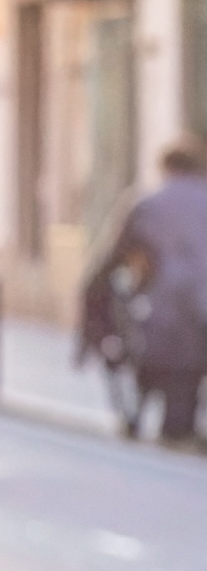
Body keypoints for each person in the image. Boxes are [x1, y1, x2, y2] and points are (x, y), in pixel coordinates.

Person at [103, 135, 207, 442]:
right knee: (192, 369)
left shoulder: (147, 204)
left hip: (164, 306)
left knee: (168, 367)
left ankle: (172, 429)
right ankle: (182, 428)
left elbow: (117, 255)